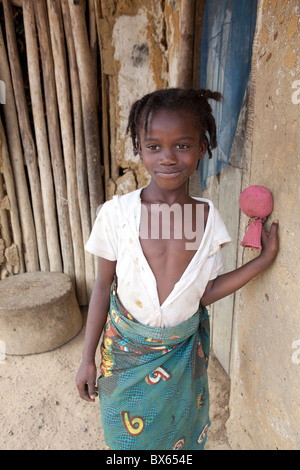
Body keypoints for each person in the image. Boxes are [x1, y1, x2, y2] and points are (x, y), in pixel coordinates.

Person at [76, 88, 279, 450]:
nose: (167, 158)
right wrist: (87, 358)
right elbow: (102, 287)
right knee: (124, 440)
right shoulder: (117, 215)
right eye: (154, 146)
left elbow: (203, 293)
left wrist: (262, 262)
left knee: (178, 435)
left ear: (203, 148)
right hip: (125, 355)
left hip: (181, 357)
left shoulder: (207, 219)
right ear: (139, 148)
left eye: (182, 145)